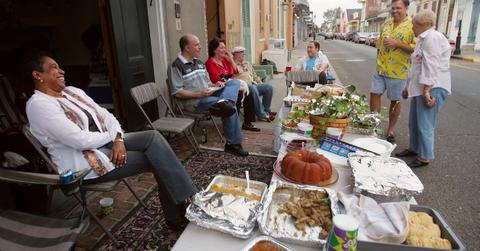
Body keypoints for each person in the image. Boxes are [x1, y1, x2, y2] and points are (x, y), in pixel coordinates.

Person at [24, 52, 197, 229]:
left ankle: (187, 203)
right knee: (157, 159)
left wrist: (118, 139)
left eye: (60, 67)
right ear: (37, 75)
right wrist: (113, 137)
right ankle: (181, 212)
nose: (62, 71)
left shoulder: (72, 92)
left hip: (107, 143)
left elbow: (106, 115)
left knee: (153, 137)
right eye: (54, 68)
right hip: (86, 164)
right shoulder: (39, 105)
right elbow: (79, 140)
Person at [168, 34, 249, 156]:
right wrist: (198, 94)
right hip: (195, 102)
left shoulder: (199, 63)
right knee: (229, 107)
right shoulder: (176, 66)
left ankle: (225, 103)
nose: (200, 47)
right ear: (187, 48)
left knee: (234, 83)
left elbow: (207, 82)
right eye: (196, 45)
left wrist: (215, 84)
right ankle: (233, 144)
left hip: (209, 94)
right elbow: (177, 92)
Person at [395, 10, 451, 168]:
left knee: (425, 123)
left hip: (433, 87)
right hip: (421, 87)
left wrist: (427, 91)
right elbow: (416, 67)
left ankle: (425, 156)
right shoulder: (422, 39)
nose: (412, 28)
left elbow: (431, 67)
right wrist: (408, 87)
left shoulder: (432, 38)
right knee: (414, 122)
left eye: (414, 25)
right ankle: (414, 148)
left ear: (424, 25)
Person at [370, 0, 415, 143]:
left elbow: (415, 48)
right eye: (393, 8)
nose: (395, 11)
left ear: (406, 8)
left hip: (398, 71)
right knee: (374, 94)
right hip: (381, 67)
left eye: (398, 8)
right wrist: (378, 56)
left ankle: (391, 129)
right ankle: (375, 126)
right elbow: (379, 44)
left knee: (395, 100)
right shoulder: (387, 23)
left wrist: (397, 44)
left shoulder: (412, 25)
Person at [204, 38, 261, 131]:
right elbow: (216, 80)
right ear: (215, 50)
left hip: (229, 87)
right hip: (218, 90)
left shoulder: (224, 61)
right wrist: (231, 83)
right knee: (239, 93)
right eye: (222, 48)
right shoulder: (210, 63)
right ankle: (233, 124)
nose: (225, 50)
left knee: (248, 92)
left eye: (225, 48)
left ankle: (247, 123)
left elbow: (234, 71)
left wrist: (230, 59)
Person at [231, 46, 275, 123]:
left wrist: (260, 82)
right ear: (236, 54)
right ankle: (262, 115)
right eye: (242, 52)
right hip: (243, 88)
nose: (244, 54)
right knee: (252, 88)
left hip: (253, 84)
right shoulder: (232, 65)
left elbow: (254, 75)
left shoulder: (247, 63)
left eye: (243, 52)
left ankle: (266, 110)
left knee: (268, 87)